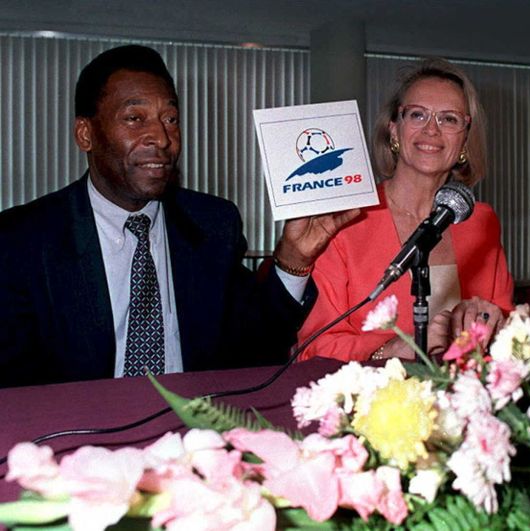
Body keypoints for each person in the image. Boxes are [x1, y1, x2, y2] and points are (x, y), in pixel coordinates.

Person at [0, 45, 357, 388]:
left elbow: (255, 349)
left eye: (170, 118)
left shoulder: (213, 224)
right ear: (86, 134)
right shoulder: (23, 240)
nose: (161, 136)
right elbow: (15, 387)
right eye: (135, 118)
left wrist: (294, 258)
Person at [296, 58, 514, 363]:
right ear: (394, 131)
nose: (431, 130)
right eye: (417, 114)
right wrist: (394, 350)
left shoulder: (481, 221)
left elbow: (507, 328)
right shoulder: (345, 219)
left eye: (449, 119)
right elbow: (313, 346)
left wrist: (492, 323)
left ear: (465, 139)